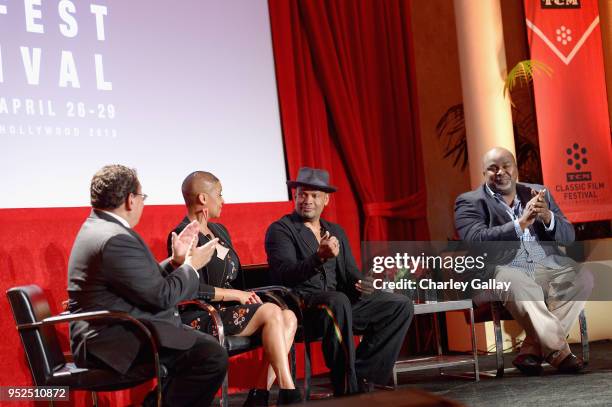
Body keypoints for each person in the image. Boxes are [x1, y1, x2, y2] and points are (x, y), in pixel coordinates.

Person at [68, 164, 227, 407]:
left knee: (202, 348)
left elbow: (139, 282)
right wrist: (192, 266)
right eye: (142, 197)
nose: (143, 203)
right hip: (112, 343)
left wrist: (176, 262)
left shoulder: (100, 228)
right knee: (210, 355)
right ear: (130, 200)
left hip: (116, 332)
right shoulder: (115, 238)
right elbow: (161, 296)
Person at [265, 167, 414, 396]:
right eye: (303, 194)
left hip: (339, 304)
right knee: (337, 301)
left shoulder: (335, 231)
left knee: (400, 305)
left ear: (326, 199)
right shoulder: (281, 230)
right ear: (295, 196)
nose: (307, 200)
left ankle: (361, 373)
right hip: (302, 306)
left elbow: (349, 274)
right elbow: (285, 274)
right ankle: (347, 387)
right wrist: (319, 257)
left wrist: (365, 283)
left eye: (314, 195)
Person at [454, 147, 593, 375]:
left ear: (516, 168)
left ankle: (531, 350)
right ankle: (559, 352)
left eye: (506, 165)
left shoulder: (538, 192)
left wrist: (548, 216)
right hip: (501, 269)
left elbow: (569, 235)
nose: (500, 172)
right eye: (492, 168)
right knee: (515, 280)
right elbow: (475, 240)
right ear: (484, 173)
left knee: (583, 276)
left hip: (544, 266)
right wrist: (520, 224)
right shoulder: (469, 201)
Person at [167, 171, 302, 406]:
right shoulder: (182, 235)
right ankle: (289, 392)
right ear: (202, 199)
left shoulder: (220, 232)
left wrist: (247, 295)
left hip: (228, 311)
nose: (223, 200)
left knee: (288, 316)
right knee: (271, 312)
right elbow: (190, 289)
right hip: (200, 315)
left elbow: (236, 278)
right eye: (219, 194)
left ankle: (259, 393)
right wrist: (236, 295)